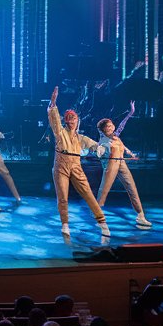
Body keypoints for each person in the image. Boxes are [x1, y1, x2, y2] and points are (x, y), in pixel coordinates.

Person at [47, 87, 109, 238]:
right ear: (66, 121)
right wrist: (53, 103)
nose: (71, 121)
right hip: (61, 165)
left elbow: (93, 144)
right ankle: (65, 224)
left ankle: (102, 222)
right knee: (62, 196)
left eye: (74, 118)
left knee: (87, 193)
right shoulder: (60, 133)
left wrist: (99, 148)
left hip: (76, 165)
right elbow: (54, 120)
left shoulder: (80, 138)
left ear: (78, 121)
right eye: (69, 118)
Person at [96, 107, 152, 229]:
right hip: (111, 166)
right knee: (104, 190)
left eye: (111, 125)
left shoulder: (116, 136)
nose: (111, 127)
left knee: (132, 188)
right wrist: (101, 151)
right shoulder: (104, 140)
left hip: (122, 164)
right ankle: (98, 215)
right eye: (108, 126)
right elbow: (101, 150)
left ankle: (141, 216)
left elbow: (122, 131)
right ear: (103, 130)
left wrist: (131, 113)